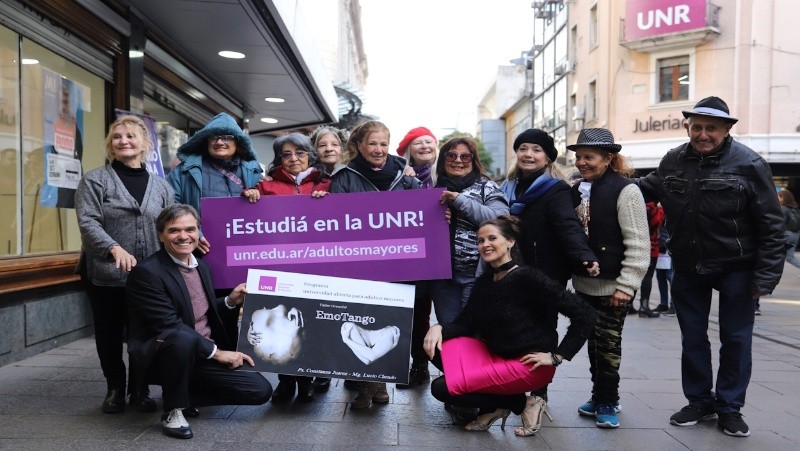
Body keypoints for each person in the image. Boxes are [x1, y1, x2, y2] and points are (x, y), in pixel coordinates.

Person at [637, 96, 785, 437]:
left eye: (711, 129)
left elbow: (772, 226)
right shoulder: (674, 160)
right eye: (697, 127)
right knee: (692, 337)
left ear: (727, 130)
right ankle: (700, 401)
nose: (703, 135)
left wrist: (765, 278)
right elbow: (646, 189)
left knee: (736, 339)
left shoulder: (750, 164)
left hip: (738, 266)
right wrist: (603, 184)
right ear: (687, 127)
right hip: (688, 265)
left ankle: (730, 408)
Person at [423, 216, 596, 437]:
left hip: (529, 364)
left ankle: (520, 402)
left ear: (510, 242)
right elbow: (465, 324)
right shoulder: (485, 282)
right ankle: (498, 403)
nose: (485, 244)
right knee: (433, 346)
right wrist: (437, 327)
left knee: (441, 388)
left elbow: (585, 314)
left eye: (492, 238)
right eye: (480, 240)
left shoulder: (528, 278)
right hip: (496, 356)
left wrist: (558, 356)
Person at [126, 204, 272, 439]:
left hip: (201, 352)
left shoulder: (201, 266)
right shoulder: (147, 273)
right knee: (181, 338)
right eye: (174, 230)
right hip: (165, 354)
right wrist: (218, 353)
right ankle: (173, 409)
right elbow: (169, 325)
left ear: (198, 232)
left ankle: (184, 393)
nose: (183, 236)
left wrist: (230, 301)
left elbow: (198, 311)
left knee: (260, 391)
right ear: (161, 235)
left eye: (190, 229)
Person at [75, 115, 174, 414]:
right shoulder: (95, 180)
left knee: (142, 333)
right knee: (108, 332)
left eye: (130, 136)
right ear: (111, 144)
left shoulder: (161, 186)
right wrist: (113, 247)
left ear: (144, 143)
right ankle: (115, 388)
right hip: (105, 273)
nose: (123, 141)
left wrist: (196, 237)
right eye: (117, 137)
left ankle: (140, 389)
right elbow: (87, 221)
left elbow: (171, 223)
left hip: (148, 276)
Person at [330, 119, 420, 409]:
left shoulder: (406, 176)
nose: (379, 149)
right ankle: (371, 384)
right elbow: (333, 220)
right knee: (360, 319)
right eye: (372, 143)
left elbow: (422, 212)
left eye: (383, 144)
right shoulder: (344, 177)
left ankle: (374, 384)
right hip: (359, 262)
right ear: (359, 145)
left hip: (398, 261)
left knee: (387, 321)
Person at [569, 128, 650, 429]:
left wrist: (627, 285)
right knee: (593, 345)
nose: (582, 162)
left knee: (608, 347)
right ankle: (598, 395)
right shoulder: (577, 189)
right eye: (579, 157)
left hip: (613, 287)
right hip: (583, 285)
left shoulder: (627, 191)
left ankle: (608, 400)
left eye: (589, 157)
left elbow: (638, 242)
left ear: (608, 158)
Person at [242, 133, 330, 403]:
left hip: (315, 266)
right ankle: (286, 380)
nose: (294, 158)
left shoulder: (325, 183)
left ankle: (306, 381)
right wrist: (250, 195)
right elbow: (245, 217)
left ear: (310, 155)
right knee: (281, 322)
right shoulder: (266, 186)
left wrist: (328, 199)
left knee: (308, 322)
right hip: (279, 266)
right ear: (279, 159)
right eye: (286, 154)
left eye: (300, 153)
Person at [432, 136, 508, 324]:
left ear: (473, 161)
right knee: (449, 332)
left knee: (473, 331)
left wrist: (459, 200)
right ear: (443, 159)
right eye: (451, 155)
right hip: (443, 279)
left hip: (476, 276)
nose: (458, 160)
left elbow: (501, 220)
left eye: (465, 156)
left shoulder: (486, 187)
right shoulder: (432, 189)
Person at [393, 126, 439, 390]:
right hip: (406, 255)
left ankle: (430, 365)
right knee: (412, 312)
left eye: (428, 141)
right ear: (408, 149)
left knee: (432, 312)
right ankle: (414, 364)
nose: (424, 146)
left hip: (438, 254)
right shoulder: (398, 176)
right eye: (418, 142)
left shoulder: (444, 174)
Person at [307, 125, 348, 393]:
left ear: (343, 147)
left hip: (347, 254)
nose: (329, 149)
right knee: (318, 314)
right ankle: (319, 369)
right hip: (317, 254)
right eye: (322, 145)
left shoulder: (353, 172)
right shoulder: (310, 176)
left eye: (334, 144)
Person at [166, 112, 263, 214]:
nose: (219, 142)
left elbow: (268, 210)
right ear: (206, 141)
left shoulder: (253, 173)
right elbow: (169, 212)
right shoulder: (184, 172)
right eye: (214, 137)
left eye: (226, 137)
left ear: (238, 142)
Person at [632, 201, 665, 318]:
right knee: (647, 276)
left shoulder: (636, 204)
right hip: (650, 247)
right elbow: (657, 222)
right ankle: (644, 307)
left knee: (634, 275)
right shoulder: (651, 207)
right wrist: (660, 209)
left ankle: (629, 304)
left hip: (635, 245)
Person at [653, 225, 675, 315]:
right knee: (660, 277)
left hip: (667, 248)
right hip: (659, 248)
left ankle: (673, 305)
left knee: (671, 278)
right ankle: (663, 304)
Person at [778, 188, 800, 270]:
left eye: (779, 197)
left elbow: (780, 224)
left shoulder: (783, 208)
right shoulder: (795, 208)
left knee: (774, 254)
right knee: (790, 257)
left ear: (783, 198)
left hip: (786, 235)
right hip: (796, 235)